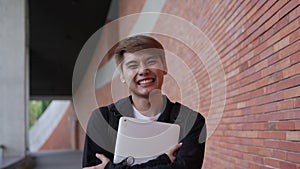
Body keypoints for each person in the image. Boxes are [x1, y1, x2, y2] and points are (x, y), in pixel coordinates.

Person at [82, 35, 206, 169]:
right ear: (122, 76)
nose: (143, 70)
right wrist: (162, 161)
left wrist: (111, 167)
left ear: (164, 66)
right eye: (132, 65)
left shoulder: (191, 121)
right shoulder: (102, 120)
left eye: (151, 61)